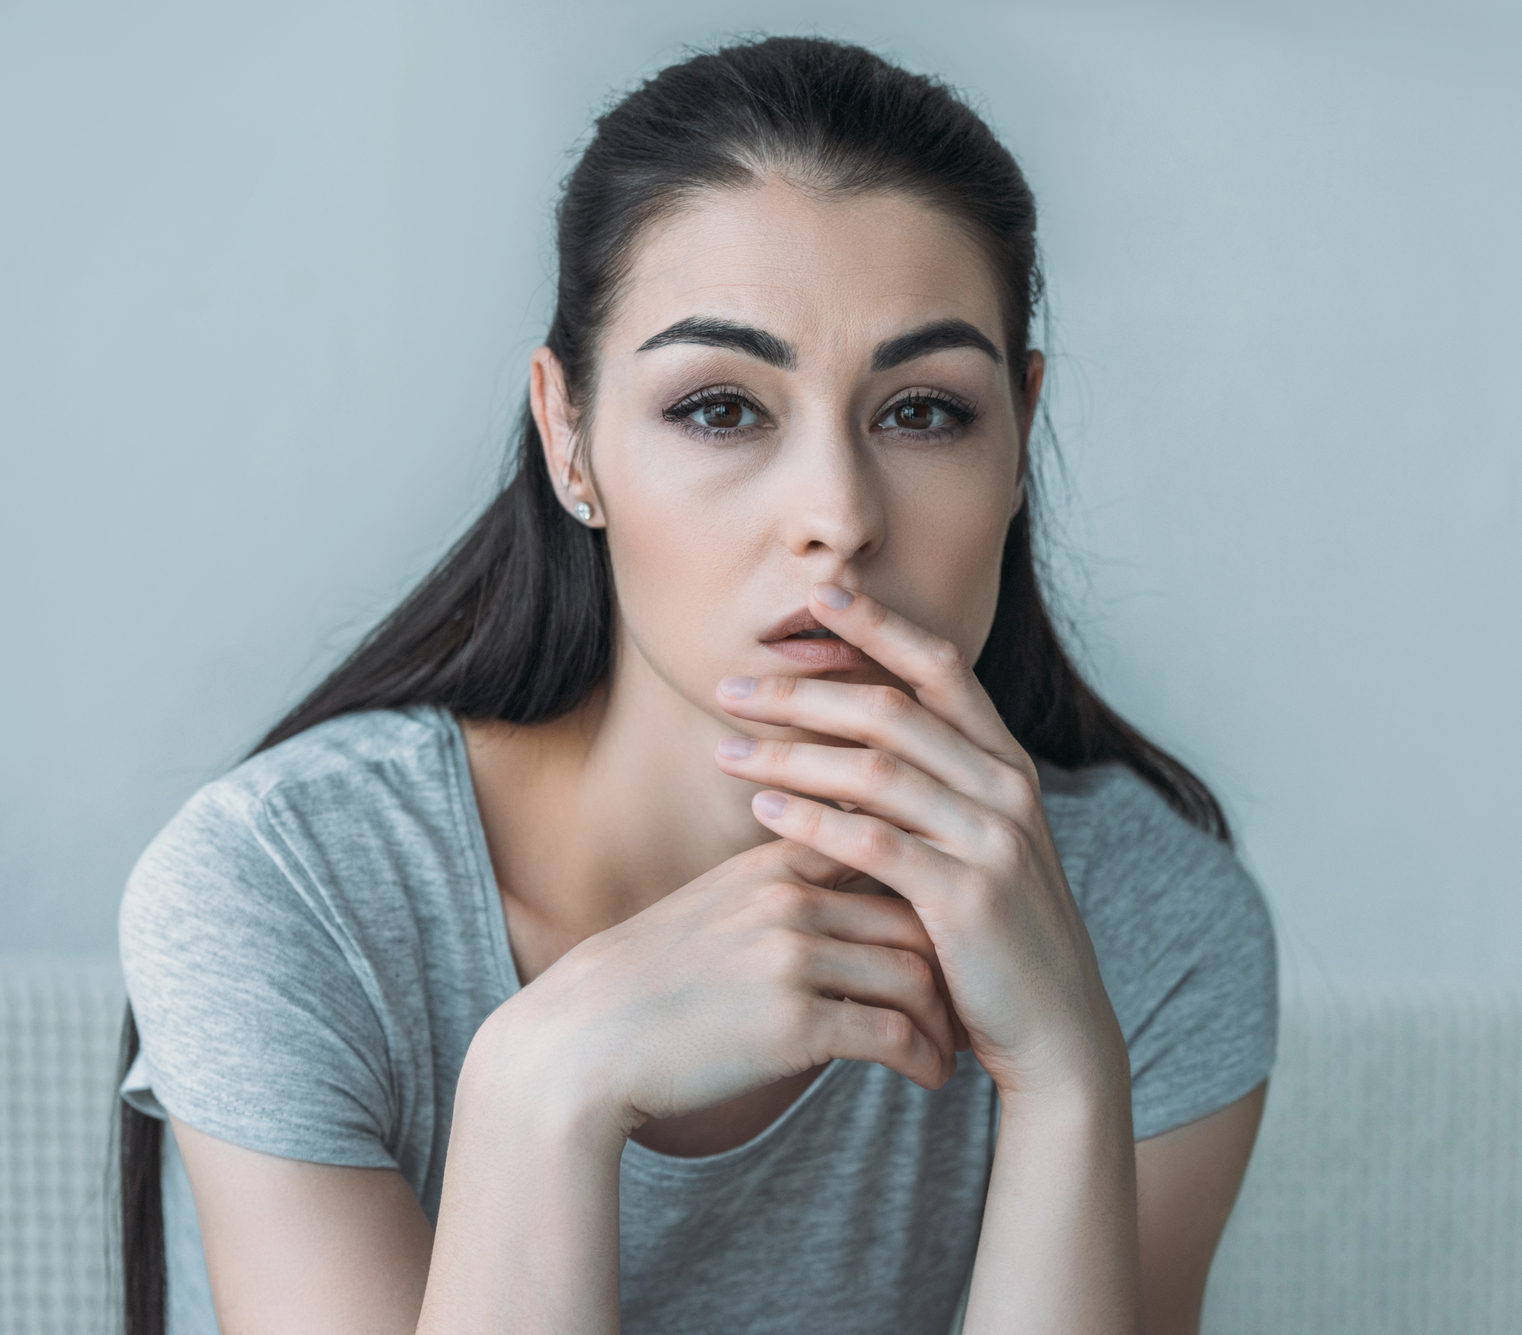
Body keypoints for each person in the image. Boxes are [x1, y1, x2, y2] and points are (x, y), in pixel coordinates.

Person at [116, 36, 1277, 1335]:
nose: (837, 513)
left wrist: (1067, 1079)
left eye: (926, 411)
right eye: (722, 408)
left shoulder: (1150, 928)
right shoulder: (289, 897)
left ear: (1021, 440)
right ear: (569, 439)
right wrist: (541, 1091)